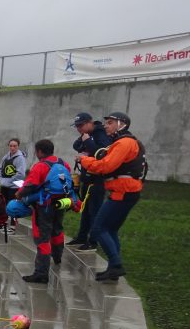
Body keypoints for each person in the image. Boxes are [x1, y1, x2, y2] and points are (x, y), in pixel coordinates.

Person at [79, 111, 146, 282]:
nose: (106, 125)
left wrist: (85, 161)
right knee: (111, 229)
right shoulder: (126, 142)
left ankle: (116, 265)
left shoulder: (124, 143)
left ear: (121, 124)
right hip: (126, 191)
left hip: (123, 192)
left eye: (109, 122)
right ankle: (113, 267)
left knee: (98, 228)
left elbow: (106, 166)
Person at [17, 139, 78, 284]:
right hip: (61, 203)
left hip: (44, 205)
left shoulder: (40, 166)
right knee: (57, 229)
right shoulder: (64, 163)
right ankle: (57, 256)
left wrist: (19, 194)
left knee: (42, 237)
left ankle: (41, 273)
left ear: (39, 152)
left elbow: (30, 186)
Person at [68, 112, 114, 250]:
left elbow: (101, 153)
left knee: (95, 211)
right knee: (86, 209)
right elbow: (76, 145)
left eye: (81, 125)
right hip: (87, 177)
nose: (79, 129)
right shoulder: (87, 134)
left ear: (90, 122)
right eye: (77, 126)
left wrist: (88, 142)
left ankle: (93, 241)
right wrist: (85, 142)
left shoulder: (101, 133)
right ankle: (82, 237)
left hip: (97, 179)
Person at [0, 138, 27, 234]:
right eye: (11, 146)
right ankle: (3, 222)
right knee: (3, 204)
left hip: (14, 186)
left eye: (15, 146)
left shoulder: (20, 158)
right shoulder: (6, 157)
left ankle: (13, 226)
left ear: (18, 146)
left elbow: (21, 174)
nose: (12, 148)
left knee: (13, 206)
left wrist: (9, 181)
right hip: (4, 185)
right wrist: (1, 179)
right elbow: (0, 168)